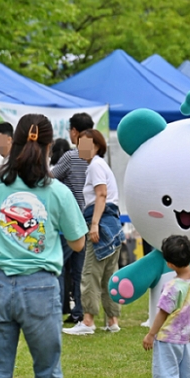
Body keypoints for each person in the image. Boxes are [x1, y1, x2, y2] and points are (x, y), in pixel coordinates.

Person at [0, 114, 87, 378]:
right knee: (48, 376)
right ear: (50, 146)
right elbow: (78, 243)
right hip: (40, 288)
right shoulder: (57, 191)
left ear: (14, 142)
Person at [63, 129, 125, 336]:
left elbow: (101, 195)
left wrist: (94, 224)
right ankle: (112, 319)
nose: (80, 147)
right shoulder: (101, 165)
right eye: (79, 143)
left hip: (102, 222)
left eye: (85, 143)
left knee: (90, 273)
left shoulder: (95, 166)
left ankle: (88, 321)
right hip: (114, 225)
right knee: (110, 275)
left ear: (97, 146)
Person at [142, 235, 190, 378]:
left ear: (169, 264)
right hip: (184, 337)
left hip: (168, 338)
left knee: (166, 372)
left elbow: (163, 313)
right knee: (187, 371)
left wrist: (151, 334)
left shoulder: (173, 287)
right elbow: (187, 309)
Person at [51, 113, 94, 324]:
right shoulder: (95, 159)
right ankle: (79, 311)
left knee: (58, 265)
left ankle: (57, 309)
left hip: (69, 221)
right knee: (80, 271)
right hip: (89, 220)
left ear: (75, 132)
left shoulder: (70, 156)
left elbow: (49, 178)